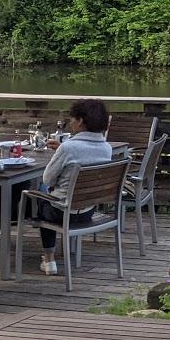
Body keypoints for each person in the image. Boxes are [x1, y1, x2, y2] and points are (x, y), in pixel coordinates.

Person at [32, 98, 114, 276]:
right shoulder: (106, 148)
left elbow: (47, 179)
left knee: (41, 193)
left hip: (61, 212)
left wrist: (62, 152)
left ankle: (49, 259)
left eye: (73, 119)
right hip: (87, 211)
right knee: (51, 196)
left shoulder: (68, 148)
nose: (71, 122)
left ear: (81, 121)